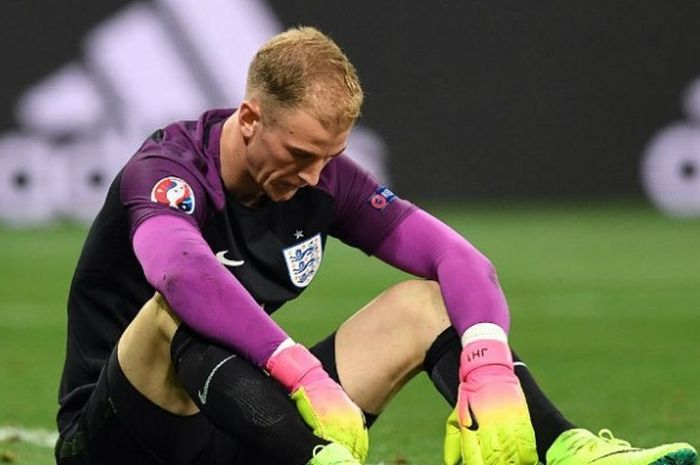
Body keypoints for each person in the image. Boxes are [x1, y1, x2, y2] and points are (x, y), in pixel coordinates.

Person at [55, 26, 697, 465]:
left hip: (241, 421)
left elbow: (458, 259)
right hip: (119, 435)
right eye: (301, 153)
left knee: (427, 304)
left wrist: (489, 361)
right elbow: (183, 273)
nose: (314, 176)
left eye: (329, 157)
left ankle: (567, 450)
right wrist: (301, 372)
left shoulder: (321, 178)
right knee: (178, 310)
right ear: (249, 119)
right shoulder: (166, 171)